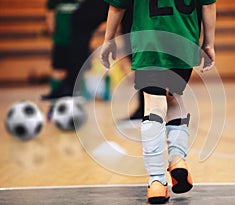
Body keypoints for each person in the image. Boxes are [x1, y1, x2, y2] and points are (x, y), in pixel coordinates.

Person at [100, 0, 216, 204]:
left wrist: (108, 39)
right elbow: (208, 5)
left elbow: (117, 6)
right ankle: (178, 160)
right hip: (184, 43)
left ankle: (156, 182)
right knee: (174, 99)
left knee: (154, 105)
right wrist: (209, 43)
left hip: (149, 43)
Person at [42, 0, 109, 100]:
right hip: (62, 39)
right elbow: (50, 10)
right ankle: (59, 91)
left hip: (77, 41)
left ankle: (77, 90)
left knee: (81, 68)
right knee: (59, 68)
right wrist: (51, 27)